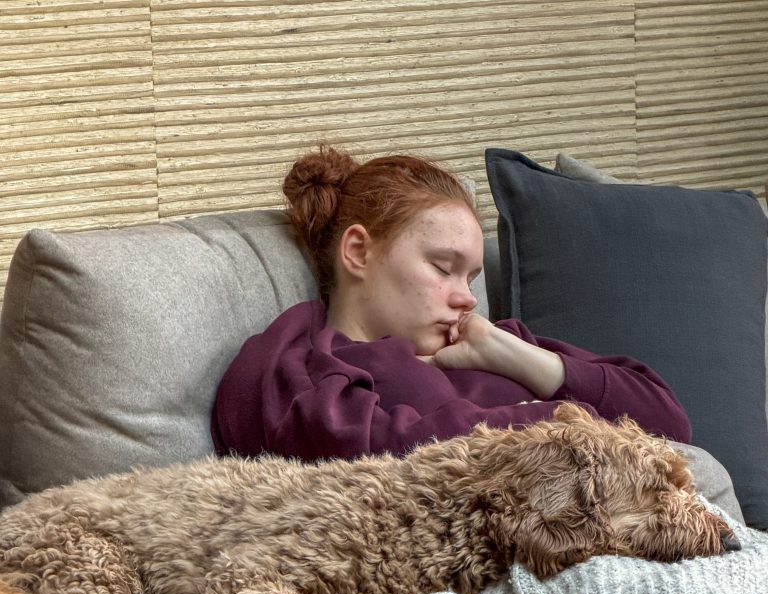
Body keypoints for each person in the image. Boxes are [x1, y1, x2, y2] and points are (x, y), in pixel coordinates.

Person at [211, 145, 691, 461]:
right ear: (358, 252)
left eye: (471, 277)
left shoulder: (494, 344)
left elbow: (669, 423)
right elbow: (395, 455)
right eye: (443, 268)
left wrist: (519, 358)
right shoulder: (309, 368)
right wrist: (569, 419)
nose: (466, 297)